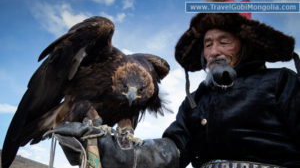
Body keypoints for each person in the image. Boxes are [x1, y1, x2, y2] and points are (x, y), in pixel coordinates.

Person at [50, 13, 300, 168]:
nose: (214, 52)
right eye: (208, 44)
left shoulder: (281, 82)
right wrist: (123, 154)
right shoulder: (196, 101)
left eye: (224, 42)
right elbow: (173, 151)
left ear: (245, 46)